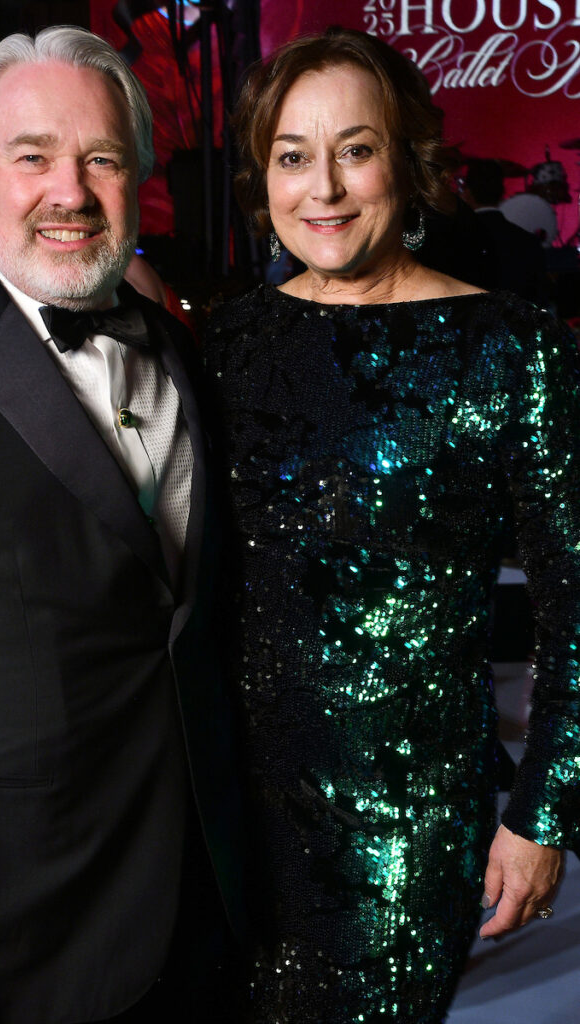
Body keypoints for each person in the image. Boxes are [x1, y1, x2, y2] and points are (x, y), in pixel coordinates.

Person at [0, 25, 244, 1024]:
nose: (70, 191)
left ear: (137, 178)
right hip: (8, 942)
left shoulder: (182, 350)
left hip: (208, 911)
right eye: (32, 157)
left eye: (101, 159)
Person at [206, 27, 580, 1024]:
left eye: (355, 149)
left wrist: (542, 813)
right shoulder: (228, 346)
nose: (323, 188)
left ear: (408, 164)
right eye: (293, 156)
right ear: (263, 180)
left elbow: (576, 606)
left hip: (403, 830)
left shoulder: (511, 348)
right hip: (227, 819)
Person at [460, 158, 549, 304]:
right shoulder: (528, 242)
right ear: (502, 193)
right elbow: (539, 299)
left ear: (467, 193)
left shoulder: (455, 239)